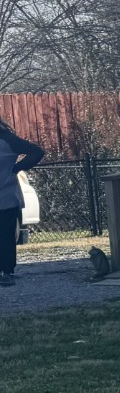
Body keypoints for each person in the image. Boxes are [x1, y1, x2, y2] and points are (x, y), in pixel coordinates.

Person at [0, 117, 45, 287]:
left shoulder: (7, 140)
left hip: (5, 197)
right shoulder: (8, 140)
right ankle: (6, 271)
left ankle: (7, 271)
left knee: (5, 236)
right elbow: (37, 152)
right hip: (7, 195)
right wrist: (16, 168)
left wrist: (17, 168)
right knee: (5, 236)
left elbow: (37, 152)